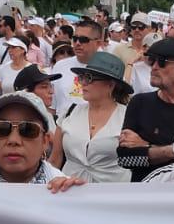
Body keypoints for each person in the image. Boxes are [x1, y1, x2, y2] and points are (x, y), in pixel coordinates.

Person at [118, 37, 174, 181]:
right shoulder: (139, 103)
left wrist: (146, 147)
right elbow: (125, 159)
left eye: (163, 62)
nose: (154, 67)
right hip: (146, 190)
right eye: (152, 60)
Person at [0, 90, 83, 191]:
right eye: (2, 128)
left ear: (45, 142)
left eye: (28, 129)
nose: (13, 140)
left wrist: (77, 197)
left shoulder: (66, 191)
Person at [53, 51, 131, 182]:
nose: (83, 83)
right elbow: (55, 159)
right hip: (70, 192)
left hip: (114, 194)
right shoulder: (70, 112)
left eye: (89, 78)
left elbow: (138, 162)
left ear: (110, 85)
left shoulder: (128, 117)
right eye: (81, 77)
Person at [51, 19, 106, 115]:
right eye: (75, 39)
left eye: (83, 40)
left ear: (98, 43)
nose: (77, 43)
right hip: (62, 126)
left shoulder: (109, 69)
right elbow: (53, 105)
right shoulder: (59, 66)